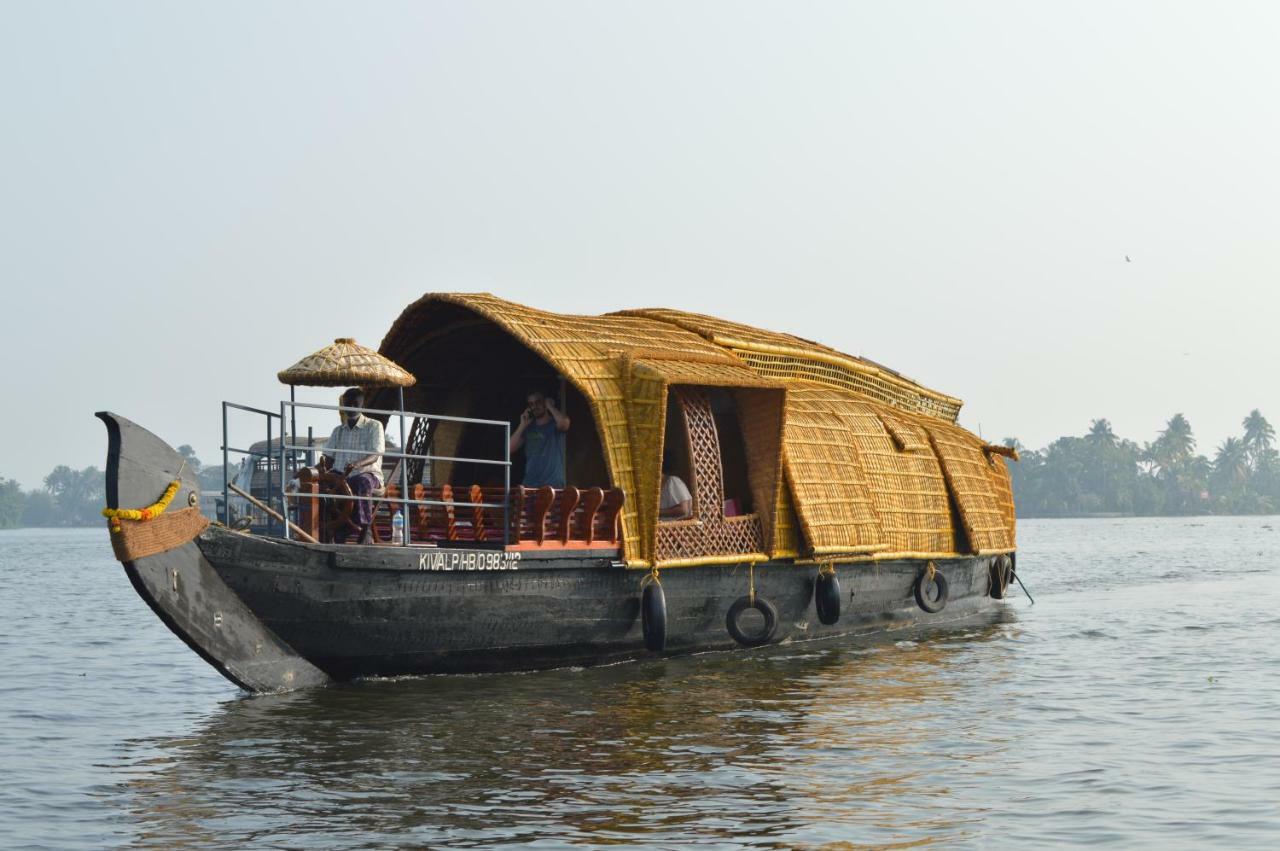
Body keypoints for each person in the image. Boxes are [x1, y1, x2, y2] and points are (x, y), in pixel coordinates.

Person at [321, 388, 385, 543]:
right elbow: (327, 459)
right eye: (347, 403)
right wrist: (310, 473)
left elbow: (375, 454)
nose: (350, 406)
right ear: (343, 405)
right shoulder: (338, 431)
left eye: (354, 403)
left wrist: (357, 465)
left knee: (362, 481)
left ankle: (365, 528)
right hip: (341, 477)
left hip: (367, 474)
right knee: (320, 487)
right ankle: (325, 531)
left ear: (361, 405)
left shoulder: (374, 426)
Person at [509, 390, 570, 488]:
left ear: (544, 402)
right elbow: (509, 449)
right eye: (531, 404)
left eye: (538, 402)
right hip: (530, 483)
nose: (535, 406)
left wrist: (550, 406)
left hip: (552, 484)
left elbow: (565, 423)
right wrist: (522, 425)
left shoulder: (554, 424)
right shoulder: (528, 427)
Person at [659, 450, 693, 521]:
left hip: (677, 529)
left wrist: (658, 512)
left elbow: (683, 510)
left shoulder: (673, 481)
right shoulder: (654, 487)